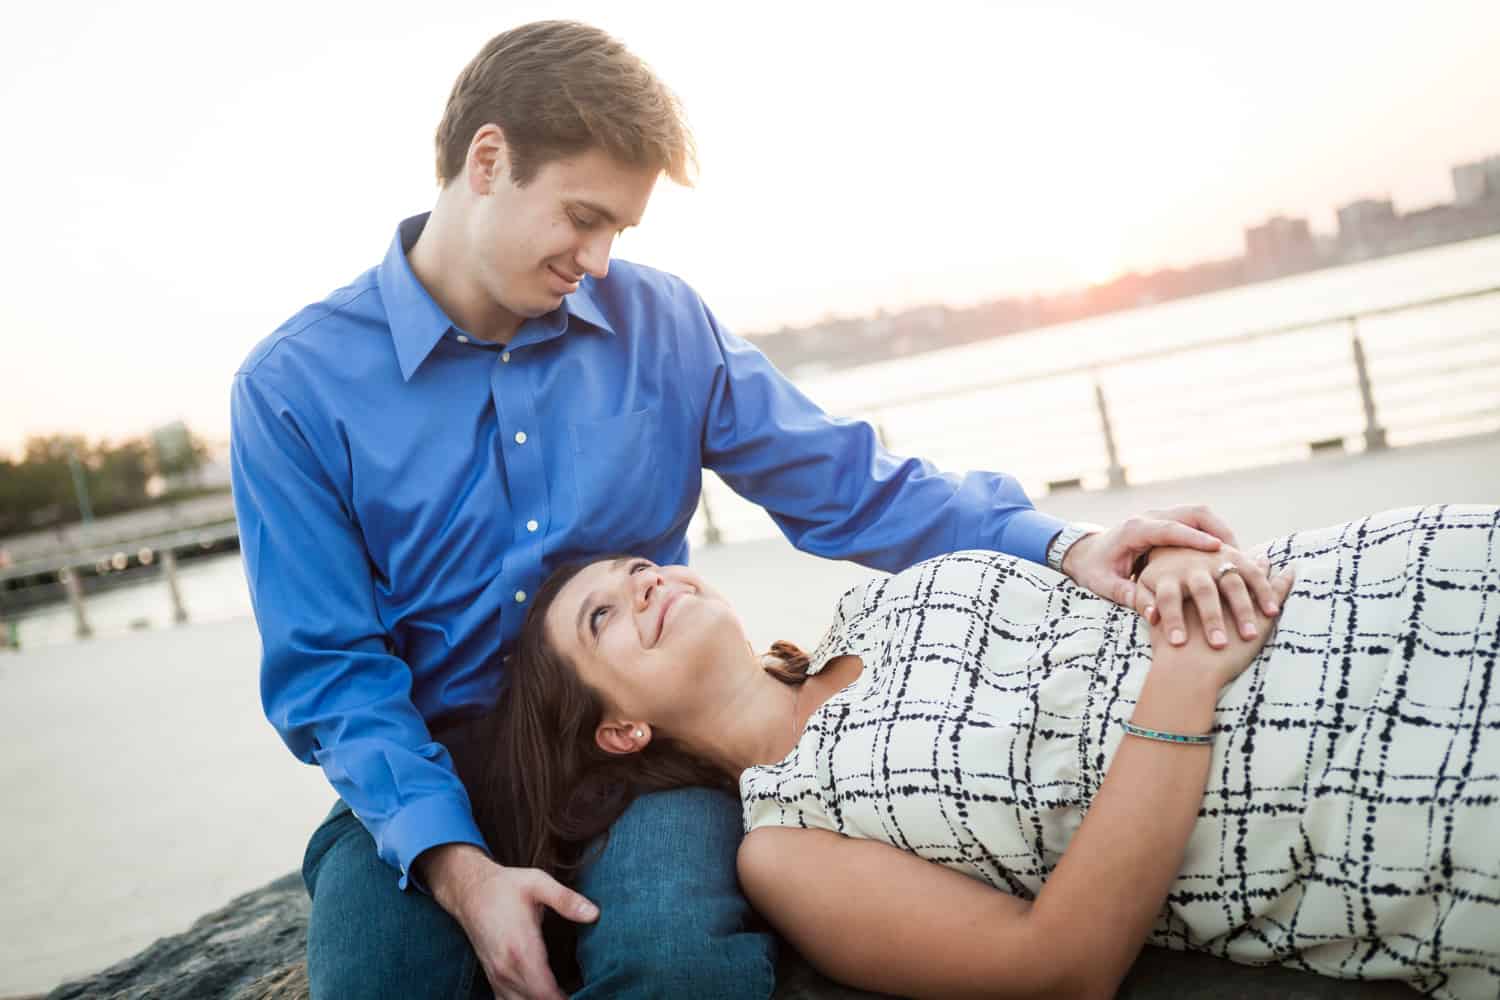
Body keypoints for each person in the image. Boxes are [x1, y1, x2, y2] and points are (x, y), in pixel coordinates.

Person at [229, 19, 1277, 999]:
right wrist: (459, 871)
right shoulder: (293, 388)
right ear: (488, 160)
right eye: (584, 219)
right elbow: (332, 670)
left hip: (632, 751)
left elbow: (845, 484)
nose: (599, 262)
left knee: (680, 965)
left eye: (619, 231)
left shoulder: (659, 319)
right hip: (423, 759)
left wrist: (1068, 542)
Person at [459, 504, 1500, 1000]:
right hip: (1357, 772)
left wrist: (1177, 557)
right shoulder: (785, 839)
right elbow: (1057, 966)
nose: (645, 580)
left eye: (642, 564)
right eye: (603, 616)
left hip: (1375, 574)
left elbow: (1098, 593)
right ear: (620, 729)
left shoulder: (876, 599)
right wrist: (1180, 688)